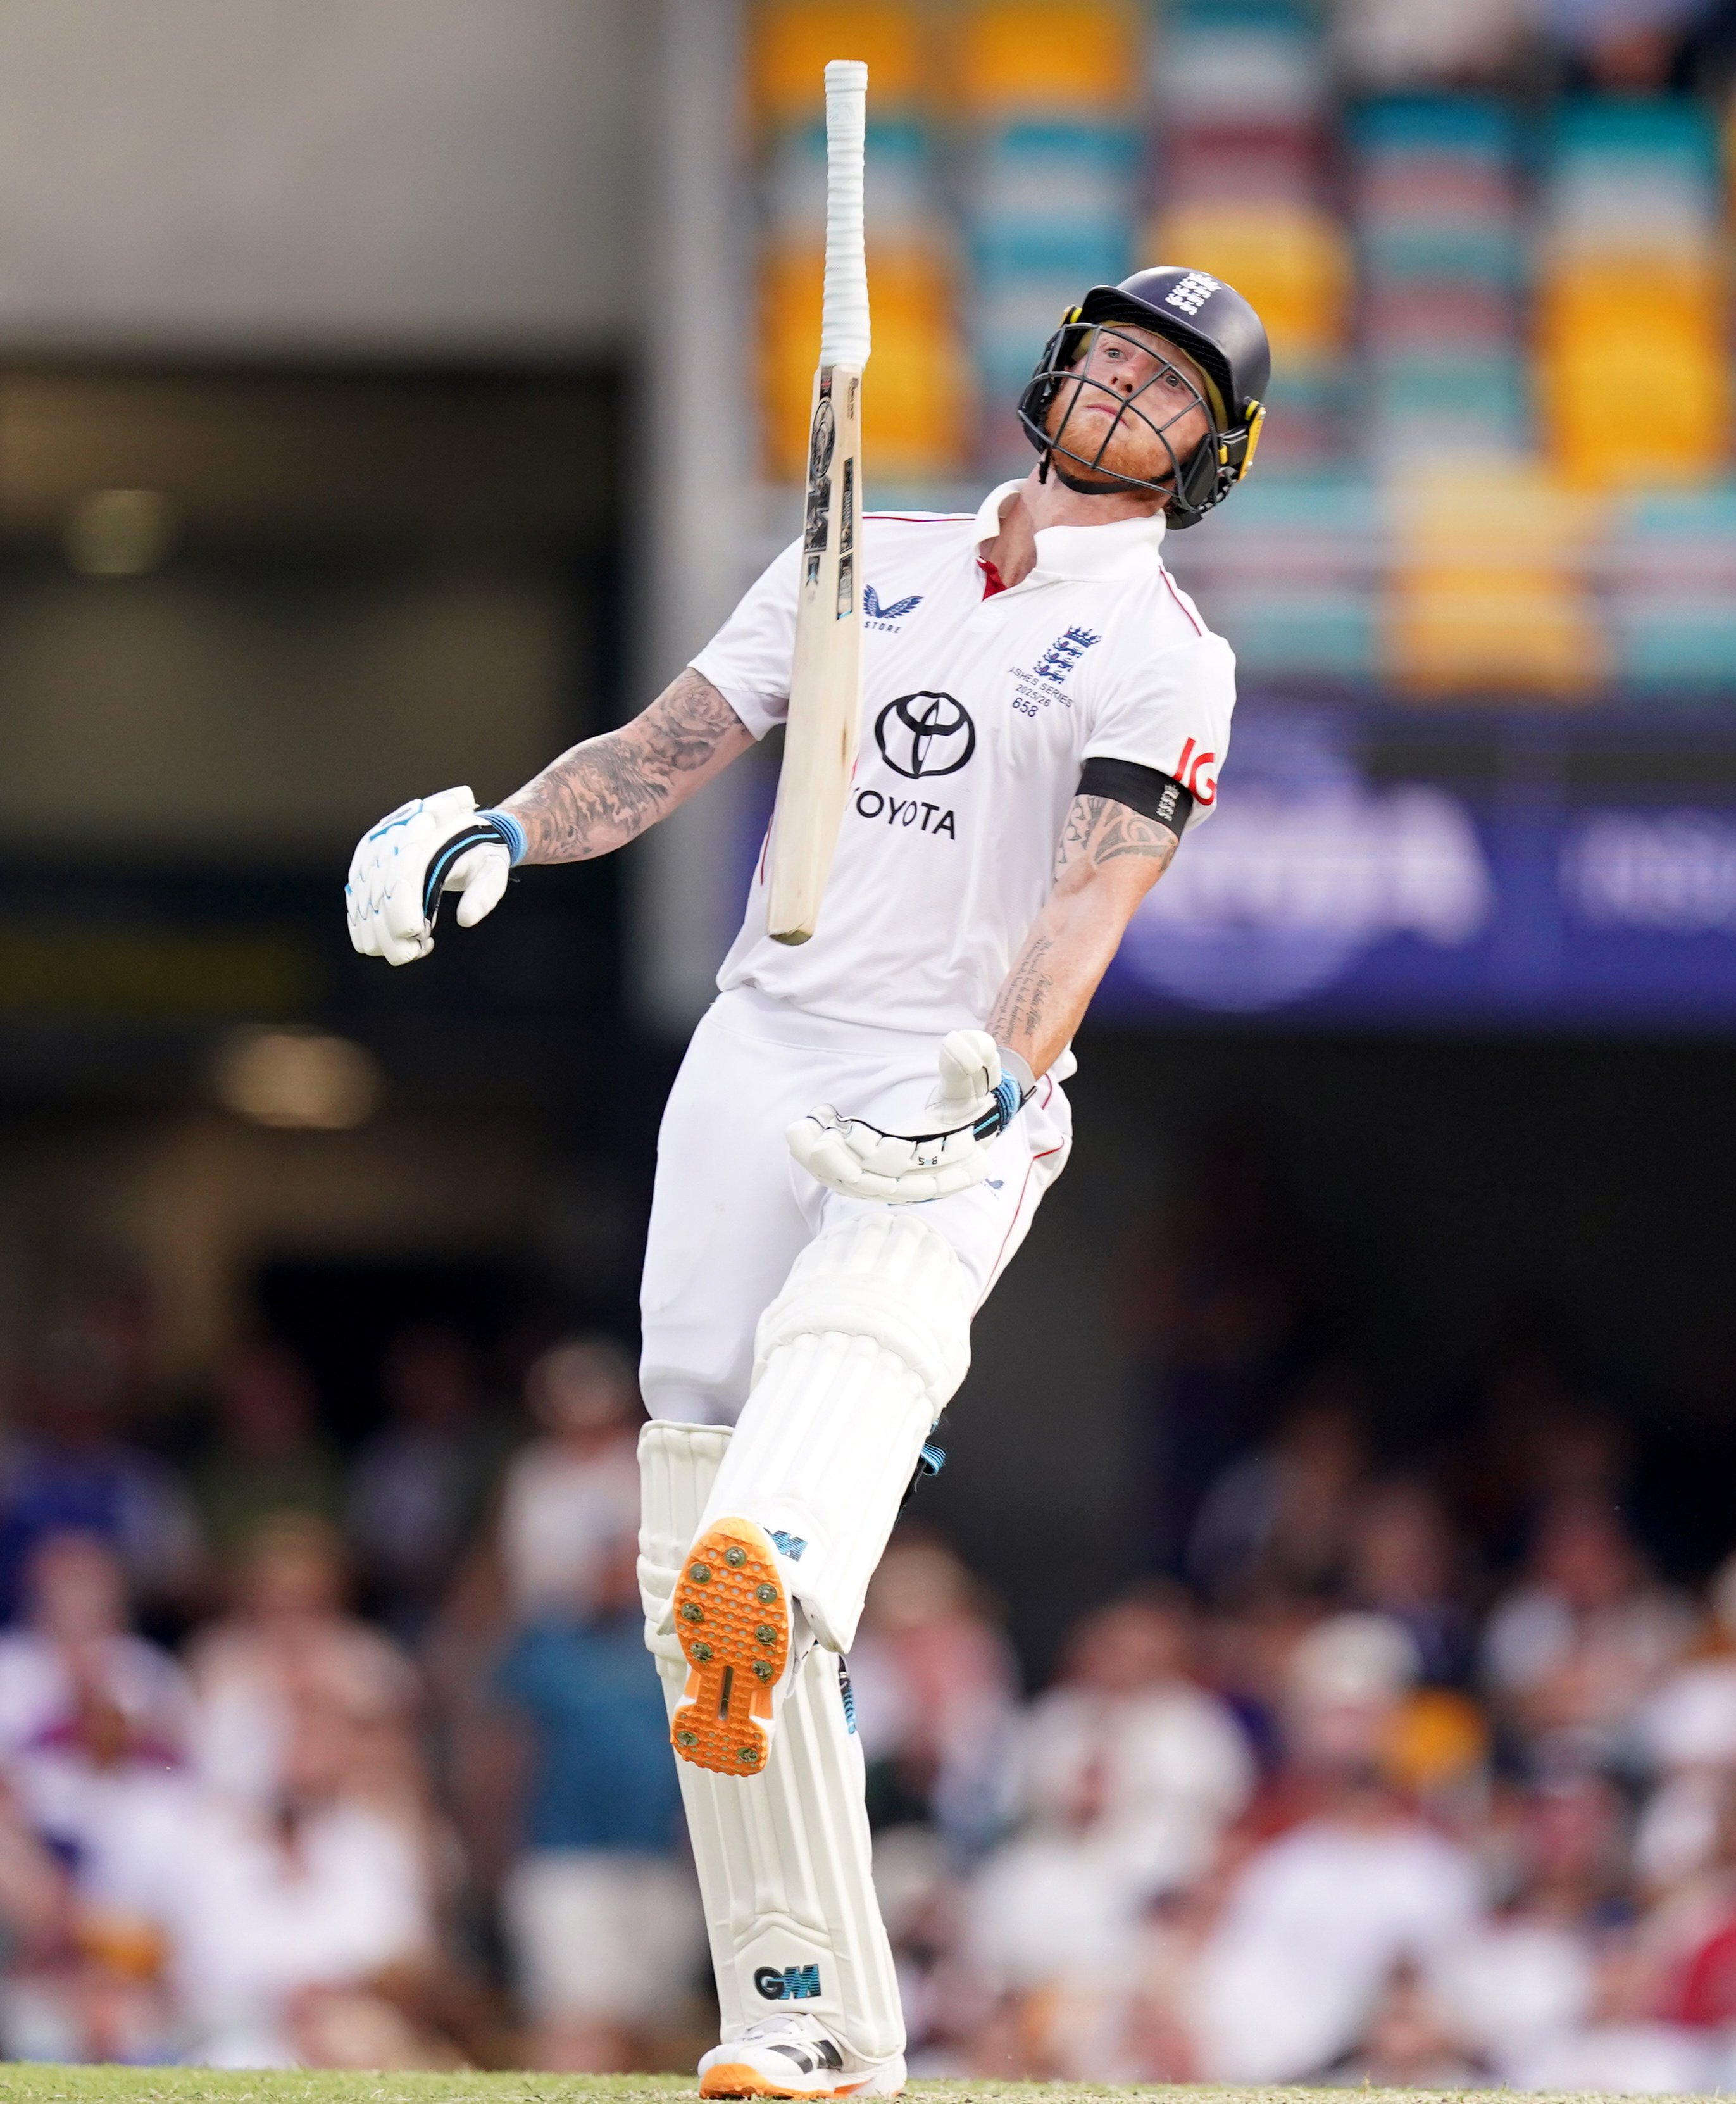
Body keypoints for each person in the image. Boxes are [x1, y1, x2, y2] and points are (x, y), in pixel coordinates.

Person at [346, 265, 1271, 2096]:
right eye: (1113, 354)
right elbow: (666, 748)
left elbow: (1095, 889)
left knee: (843, 1368)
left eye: (1174, 386)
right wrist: (504, 833)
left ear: (1213, 452)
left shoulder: (1170, 651)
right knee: (687, 1516)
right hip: (760, 1043)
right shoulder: (864, 554)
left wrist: (996, 1078)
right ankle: (808, 2015)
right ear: (1055, 368)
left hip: (955, 1069)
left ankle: (780, 1558)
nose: (1128, 392)